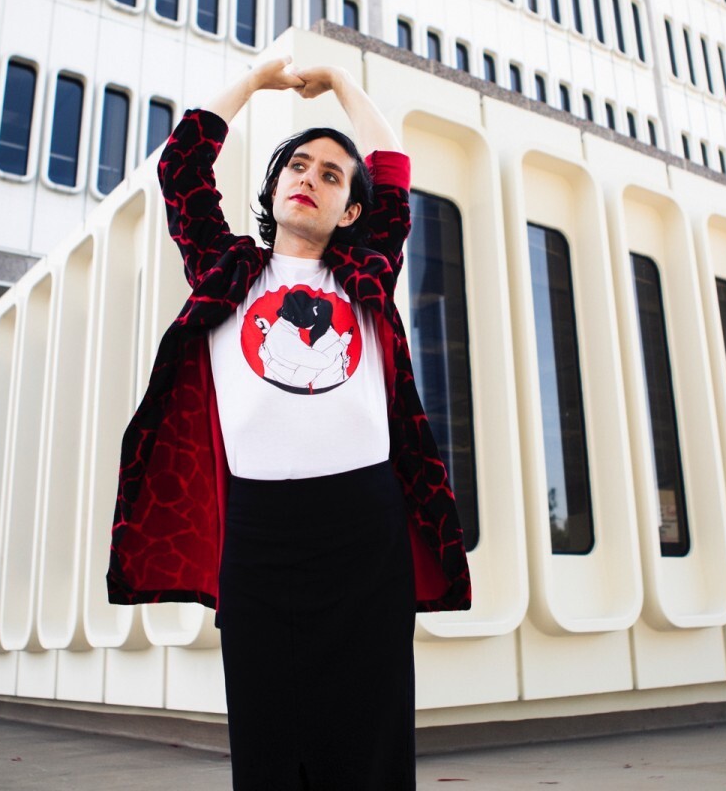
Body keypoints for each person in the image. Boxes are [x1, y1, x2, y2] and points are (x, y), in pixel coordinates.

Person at [107, 56, 472, 790]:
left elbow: (392, 164)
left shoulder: (364, 270)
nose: (311, 177)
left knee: (370, 735)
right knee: (269, 736)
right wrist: (253, 84)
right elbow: (182, 169)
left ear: (351, 212)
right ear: (274, 189)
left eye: (333, 175)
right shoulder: (225, 268)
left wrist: (339, 81)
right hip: (259, 528)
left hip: (363, 525)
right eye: (298, 166)